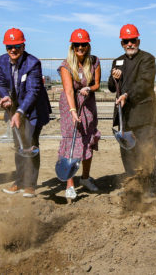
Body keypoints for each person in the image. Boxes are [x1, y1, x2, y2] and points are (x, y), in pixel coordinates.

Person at [0, 28, 51, 198]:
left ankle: (30, 185)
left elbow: (33, 91)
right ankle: (19, 182)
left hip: (33, 110)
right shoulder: (2, 60)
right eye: (9, 46)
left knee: (30, 146)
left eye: (17, 46)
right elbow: (1, 83)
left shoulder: (33, 63)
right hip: (15, 111)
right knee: (19, 146)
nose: (13, 50)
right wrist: (5, 96)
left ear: (23, 45)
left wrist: (20, 112)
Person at [107, 24, 156, 178]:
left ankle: (147, 186)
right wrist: (113, 78)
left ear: (138, 41)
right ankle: (132, 185)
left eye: (133, 40)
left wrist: (127, 95)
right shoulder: (118, 61)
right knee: (128, 153)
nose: (130, 44)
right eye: (126, 41)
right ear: (122, 43)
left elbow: (144, 83)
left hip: (144, 117)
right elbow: (111, 87)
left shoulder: (147, 59)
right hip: (126, 117)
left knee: (146, 152)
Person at [58, 28, 101, 200]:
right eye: (77, 45)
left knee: (87, 140)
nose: (80, 47)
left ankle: (85, 178)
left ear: (88, 45)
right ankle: (70, 184)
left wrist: (89, 88)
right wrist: (73, 112)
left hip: (88, 104)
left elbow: (97, 84)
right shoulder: (66, 65)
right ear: (72, 46)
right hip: (71, 106)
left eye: (83, 44)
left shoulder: (95, 61)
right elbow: (69, 91)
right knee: (72, 143)